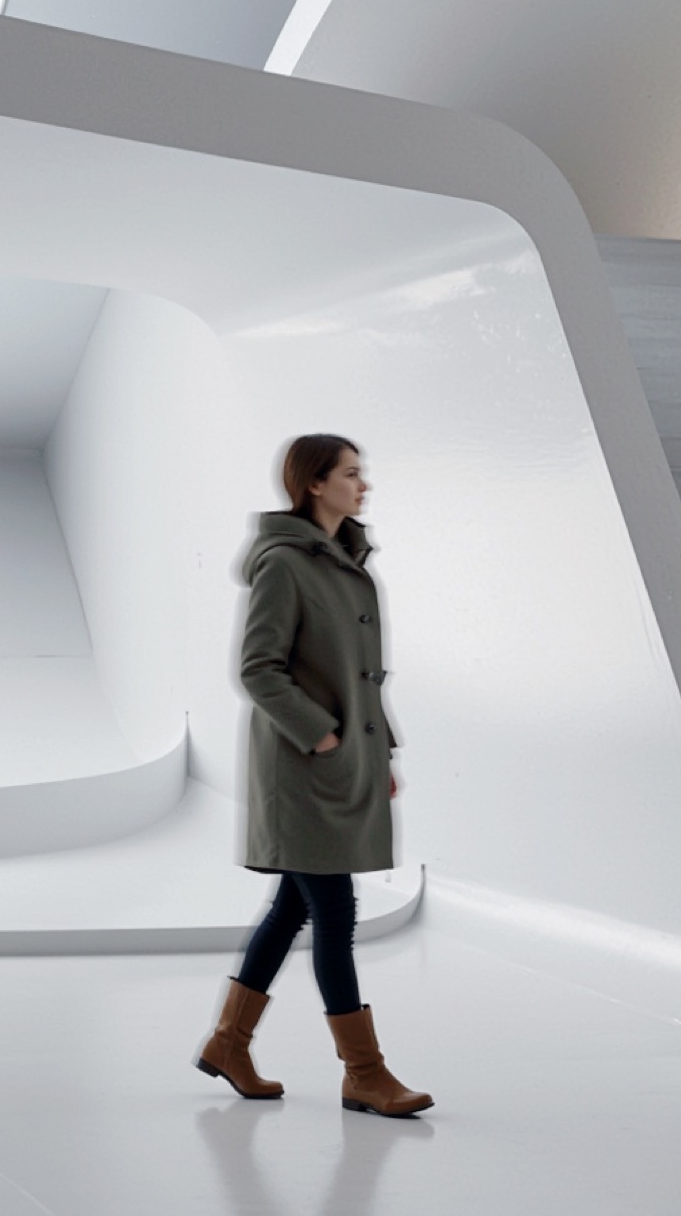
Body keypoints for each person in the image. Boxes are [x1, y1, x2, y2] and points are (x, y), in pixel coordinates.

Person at [194, 433, 433, 1118]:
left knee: (294, 906)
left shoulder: (347, 561)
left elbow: (362, 678)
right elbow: (258, 669)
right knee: (333, 909)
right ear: (314, 484)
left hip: (338, 763)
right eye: (352, 474)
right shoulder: (286, 566)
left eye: (363, 474)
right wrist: (324, 737)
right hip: (299, 769)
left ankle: (228, 1044)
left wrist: (377, 753)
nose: (365, 486)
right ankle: (364, 1071)